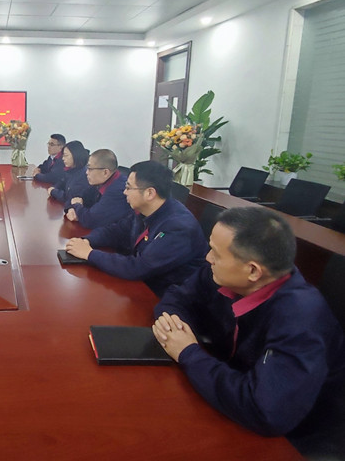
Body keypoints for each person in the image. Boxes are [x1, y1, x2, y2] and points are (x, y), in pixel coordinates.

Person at [153, 207, 345, 458]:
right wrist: (175, 329)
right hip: (237, 389)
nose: (208, 258)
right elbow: (177, 297)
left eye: (216, 253)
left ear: (253, 271)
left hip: (298, 434)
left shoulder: (301, 319)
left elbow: (266, 411)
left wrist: (187, 352)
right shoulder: (225, 273)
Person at [65, 160, 207, 296]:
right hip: (144, 283)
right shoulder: (146, 210)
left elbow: (138, 267)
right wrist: (86, 241)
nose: (124, 192)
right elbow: (116, 231)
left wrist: (90, 254)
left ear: (150, 193)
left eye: (128, 188)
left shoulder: (178, 227)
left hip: (165, 296)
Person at [65, 149, 131, 229]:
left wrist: (76, 206)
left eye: (90, 169)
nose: (86, 172)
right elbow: (76, 196)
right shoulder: (100, 181)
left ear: (105, 172)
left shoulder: (118, 190)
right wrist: (71, 208)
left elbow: (90, 220)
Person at [47, 140, 90, 210]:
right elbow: (62, 182)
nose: (63, 158)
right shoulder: (72, 169)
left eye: (66, 155)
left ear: (76, 155)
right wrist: (54, 187)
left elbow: (69, 198)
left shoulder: (84, 174)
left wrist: (53, 191)